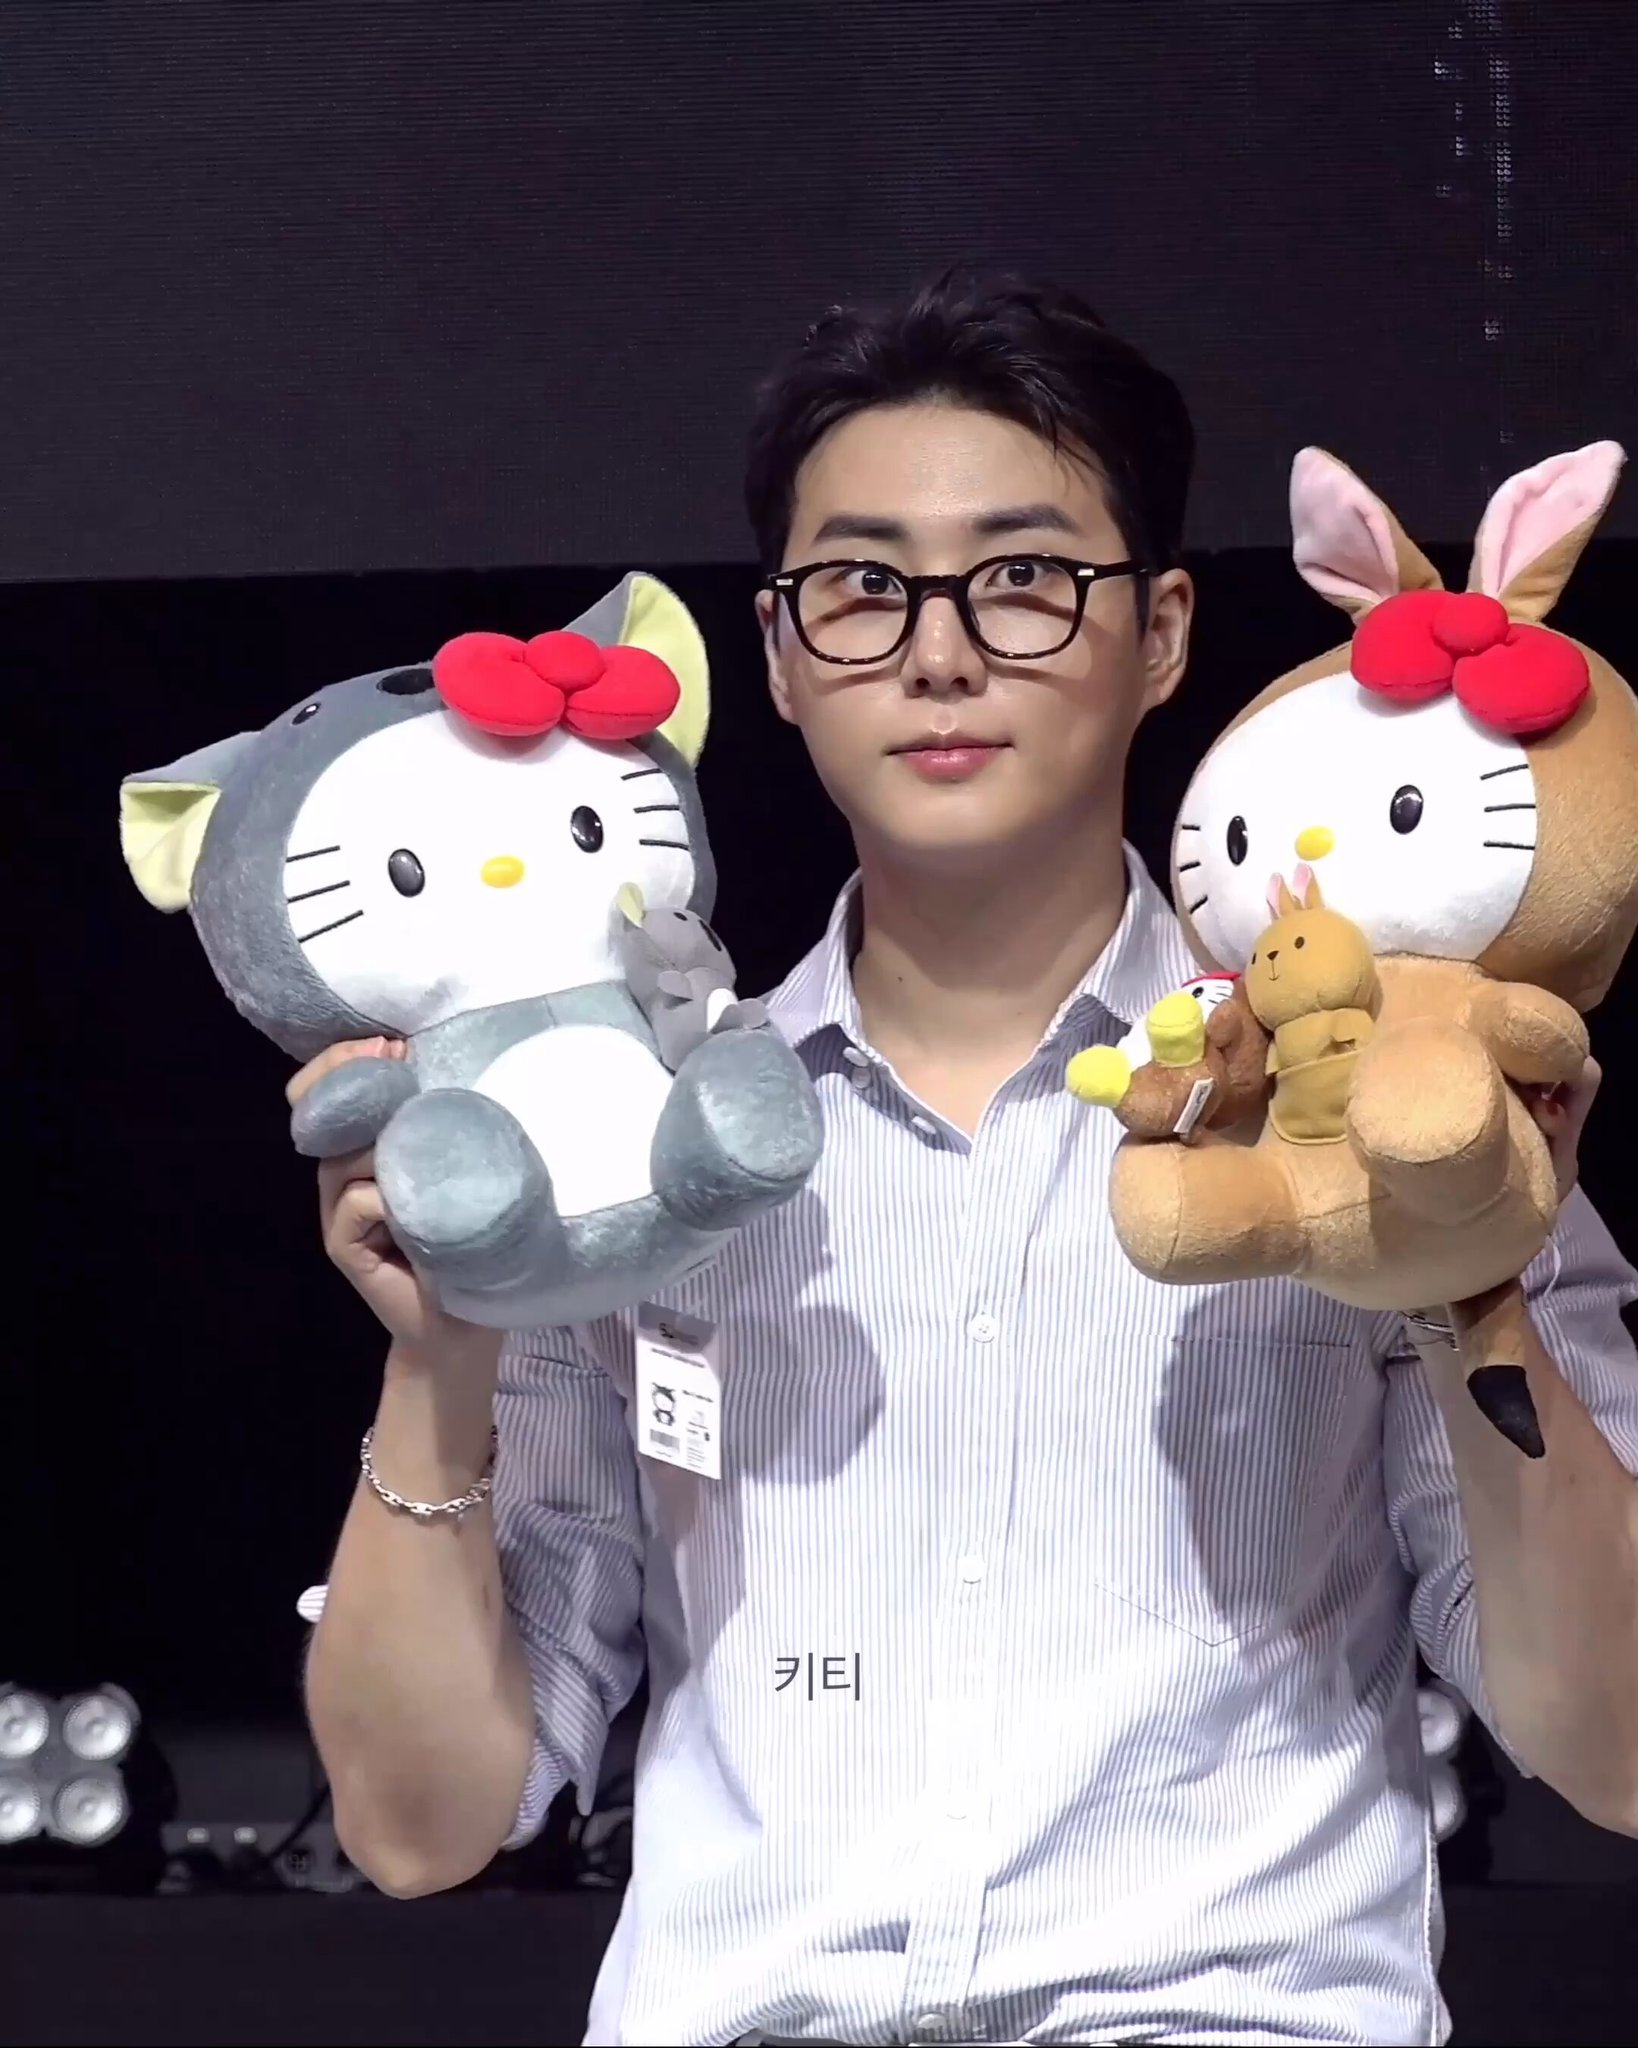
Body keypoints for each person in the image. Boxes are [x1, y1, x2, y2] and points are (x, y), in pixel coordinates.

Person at [298, 271, 1638, 2048]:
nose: (938, 653)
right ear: (778, 656)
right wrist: (438, 1358)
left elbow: (1613, 1751)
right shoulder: (642, 1146)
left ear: (1160, 631)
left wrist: (1471, 1287)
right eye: (863, 586)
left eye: (1022, 578)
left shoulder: (1368, 1106)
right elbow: (422, 1828)